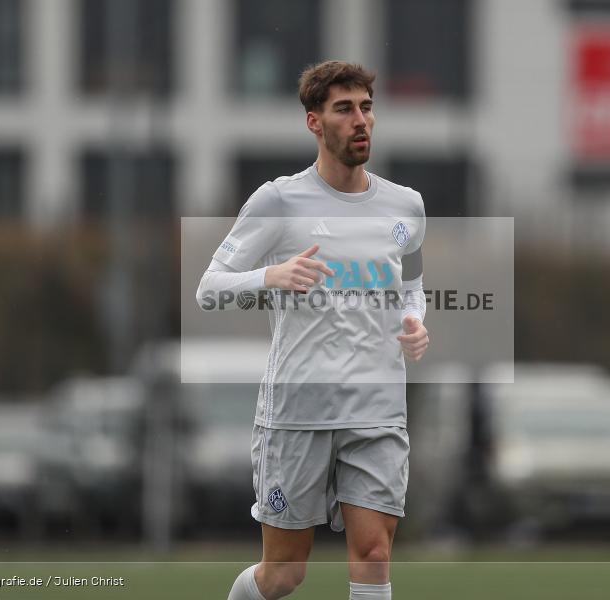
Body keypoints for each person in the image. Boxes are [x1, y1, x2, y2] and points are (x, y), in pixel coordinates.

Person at [197, 60, 428, 600]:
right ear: (314, 122)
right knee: (284, 574)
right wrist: (270, 276)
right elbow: (209, 287)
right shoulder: (277, 201)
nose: (360, 120)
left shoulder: (407, 206)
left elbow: (413, 286)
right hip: (299, 411)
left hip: (377, 408)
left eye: (366, 107)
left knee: (373, 556)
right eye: (344, 109)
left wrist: (417, 323)